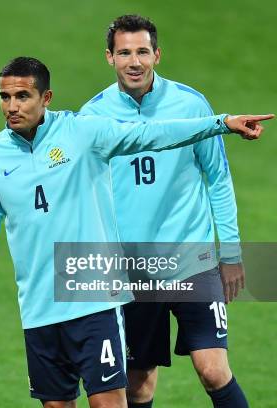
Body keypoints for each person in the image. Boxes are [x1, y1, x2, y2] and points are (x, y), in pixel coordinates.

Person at [0, 56, 271, 408]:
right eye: (4, 97)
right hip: (39, 312)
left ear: (46, 98)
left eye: (23, 96)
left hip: (95, 303)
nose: (12, 107)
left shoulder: (83, 132)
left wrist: (221, 123)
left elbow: (152, 134)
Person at [79, 15, 250, 408]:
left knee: (213, 369)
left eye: (142, 51)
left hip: (194, 258)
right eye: (124, 52)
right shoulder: (93, 116)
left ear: (157, 54)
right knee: (139, 383)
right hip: (132, 269)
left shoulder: (191, 105)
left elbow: (218, 179)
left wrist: (232, 253)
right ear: (109, 57)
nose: (134, 61)